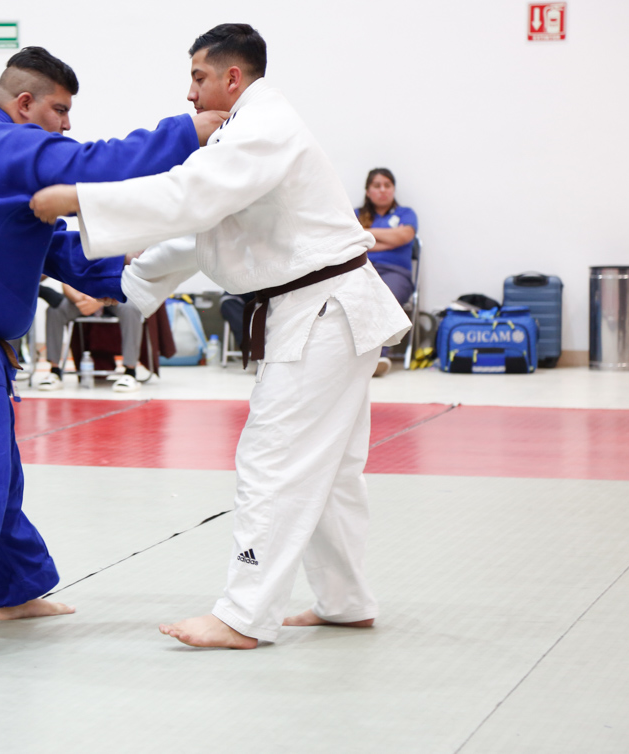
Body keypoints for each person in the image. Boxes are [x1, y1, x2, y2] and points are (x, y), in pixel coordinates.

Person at [31, 25, 410, 649]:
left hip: (322, 311)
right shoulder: (245, 136)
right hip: (327, 309)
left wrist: (81, 199)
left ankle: (243, 615)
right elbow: (203, 232)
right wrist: (126, 285)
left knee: (275, 458)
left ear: (233, 77)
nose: (190, 92)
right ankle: (345, 602)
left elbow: (188, 198)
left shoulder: (264, 125)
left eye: (199, 77)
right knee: (331, 470)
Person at [0, 47, 226, 666]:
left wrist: (139, 271)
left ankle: (14, 591)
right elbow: (97, 164)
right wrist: (189, 131)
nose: (66, 124)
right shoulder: (3, 143)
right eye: (59, 110)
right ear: (25, 104)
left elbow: (54, 249)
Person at [356, 168, 417, 377]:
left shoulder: (406, 213)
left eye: (387, 185)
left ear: (393, 189)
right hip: (362, 270)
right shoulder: (355, 214)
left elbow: (404, 237)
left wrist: (366, 235)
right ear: (368, 191)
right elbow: (350, 241)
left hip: (396, 273)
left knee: (385, 295)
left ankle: (378, 357)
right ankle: (353, 358)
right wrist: (390, 240)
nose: (383, 190)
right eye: (377, 185)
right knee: (352, 294)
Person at [38, 282, 144, 392]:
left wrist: (99, 300)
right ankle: (55, 371)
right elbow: (66, 283)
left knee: (131, 308)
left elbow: (123, 281)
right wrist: (79, 299)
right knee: (55, 309)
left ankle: (130, 372)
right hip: (83, 297)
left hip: (112, 295)